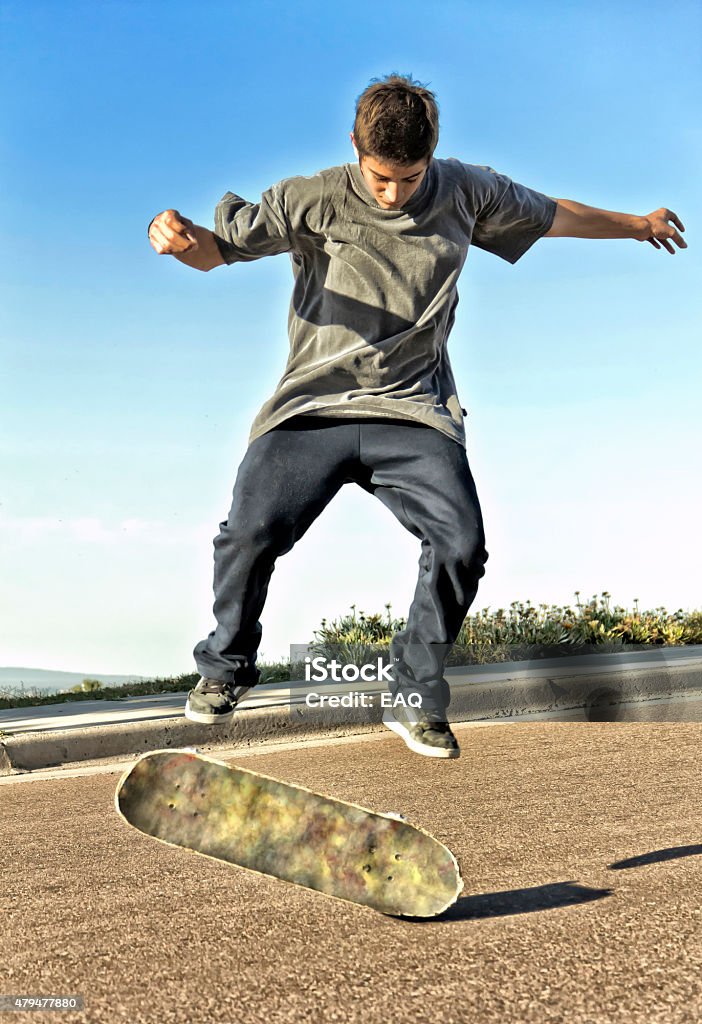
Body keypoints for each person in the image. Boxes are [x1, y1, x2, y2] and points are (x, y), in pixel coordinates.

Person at [147, 73, 686, 760]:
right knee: (248, 532)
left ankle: (413, 691)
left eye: (410, 178)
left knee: (462, 544)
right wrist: (177, 236)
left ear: (433, 154)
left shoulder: (467, 189)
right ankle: (225, 668)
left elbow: (555, 214)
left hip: (414, 411)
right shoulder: (307, 197)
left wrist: (636, 225)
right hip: (313, 406)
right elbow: (213, 253)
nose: (395, 195)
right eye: (380, 180)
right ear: (354, 147)